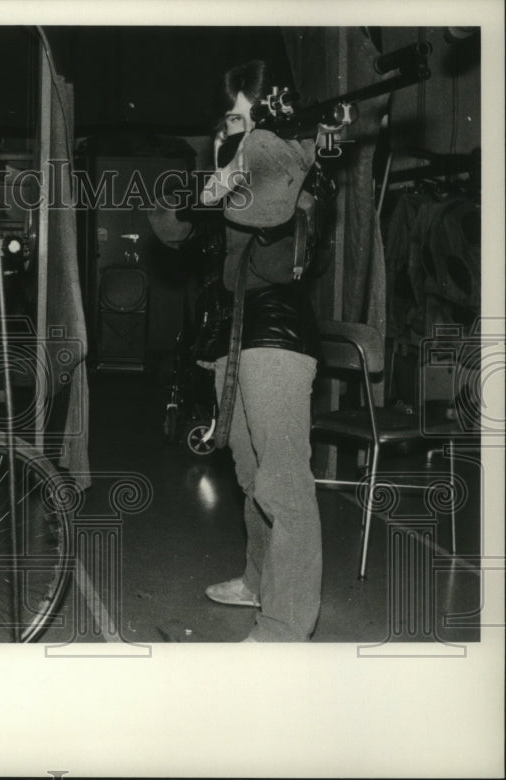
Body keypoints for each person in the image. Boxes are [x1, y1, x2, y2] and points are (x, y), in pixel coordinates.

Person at [149, 60, 324, 641]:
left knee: (283, 484)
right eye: (230, 115)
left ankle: (285, 627)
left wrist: (244, 158)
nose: (236, 126)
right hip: (232, 329)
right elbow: (172, 229)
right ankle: (258, 581)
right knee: (251, 477)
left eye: (247, 111)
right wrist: (212, 178)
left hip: (276, 330)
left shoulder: (291, 156)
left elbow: (267, 210)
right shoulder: (232, 160)